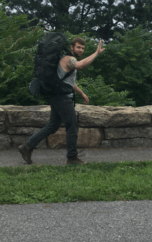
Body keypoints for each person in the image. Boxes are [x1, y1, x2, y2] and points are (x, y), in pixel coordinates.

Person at [18, 37, 105, 165]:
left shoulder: (68, 60)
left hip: (58, 97)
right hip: (62, 99)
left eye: (82, 48)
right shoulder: (68, 59)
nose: (81, 50)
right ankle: (72, 158)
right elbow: (80, 65)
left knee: (52, 126)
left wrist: (81, 93)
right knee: (72, 126)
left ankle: (27, 146)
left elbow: (68, 81)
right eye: (78, 47)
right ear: (71, 47)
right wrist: (96, 53)